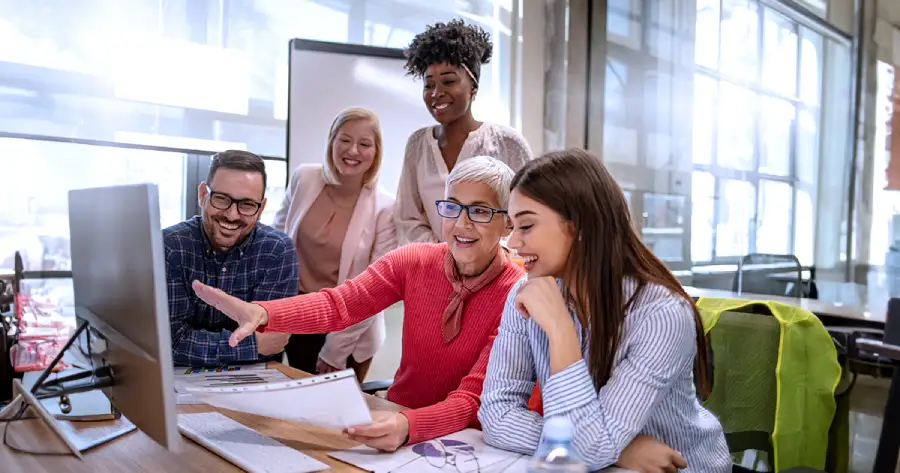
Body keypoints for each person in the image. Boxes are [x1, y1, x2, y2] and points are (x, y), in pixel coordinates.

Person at [191, 156, 523, 451]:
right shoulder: (414, 261)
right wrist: (264, 313)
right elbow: (339, 305)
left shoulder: (518, 293)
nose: (461, 224)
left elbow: (471, 400)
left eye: (479, 211)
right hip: (394, 421)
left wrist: (410, 427)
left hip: (469, 443)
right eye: (452, 206)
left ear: (508, 221)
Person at [478, 149, 732, 473]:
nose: (512, 242)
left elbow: (592, 448)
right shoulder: (526, 294)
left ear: (580, 226)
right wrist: (621, 449)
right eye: (511, 226)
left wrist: (559, 329)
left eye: (525, 226)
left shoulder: (662, 316)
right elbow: (496, 415)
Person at [272, 107, 396, 381]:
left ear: (376, 152)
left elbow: (374, 289)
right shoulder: (304, 178)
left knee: (334, 417)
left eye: (364, 144)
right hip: (298, 313)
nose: (353, 150)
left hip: (348, 327)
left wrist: (335, 351)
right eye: (345, 139)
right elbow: (275, 244)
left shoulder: (385, 207)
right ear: (332, 140)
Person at [395, 18, 533, 245]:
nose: (436, 93)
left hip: (496, 272)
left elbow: (526, 215)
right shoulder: (418, 144)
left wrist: (480, 258)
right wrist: (444, 257)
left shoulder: (508, 143)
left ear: (474, 89)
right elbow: (407, 218)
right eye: (428, 85)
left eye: (448, 81)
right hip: (432, 270)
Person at [164, 150, 298, 367]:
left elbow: (272, 342)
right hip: (179, 385)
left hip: (251, 384)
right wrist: (251, 345)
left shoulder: (277, 251)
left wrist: (200, 344)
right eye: (221, 199)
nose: (232, 215)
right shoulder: (170, 247)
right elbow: (170, 342)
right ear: (202, 195)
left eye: (246, 204)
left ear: (261, 208)